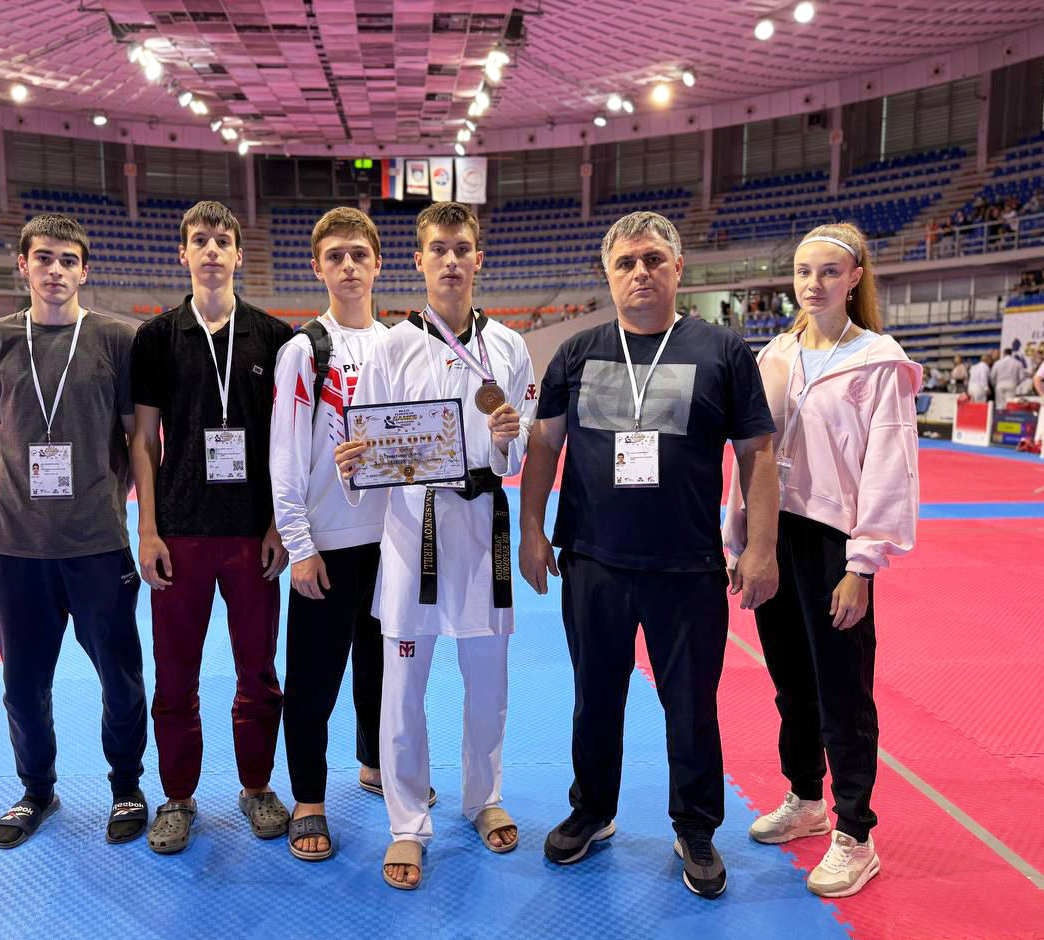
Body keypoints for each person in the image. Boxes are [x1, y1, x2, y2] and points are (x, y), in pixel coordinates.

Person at [519, 210, 778, 900]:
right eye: (626, 262)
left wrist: (761, 547)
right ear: (607, 275)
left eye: (654, 260)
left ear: (678, 269)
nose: (641, 272)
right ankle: (592, 809)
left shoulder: (722, 351)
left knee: (690, 704)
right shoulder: (576, 352)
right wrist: (532, 530)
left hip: (688, 565)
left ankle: (695, 826)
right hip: (593, 560)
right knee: (593, 698)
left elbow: (758, 454)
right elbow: (543, 444)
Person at [334, 201, 535, 891]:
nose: (451, 260)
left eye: (462, 248)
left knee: (489, 677)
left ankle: (484, 797)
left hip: (482, 527)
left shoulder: (508, 346)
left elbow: (515, 455)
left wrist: (506, 439)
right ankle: (407, 823)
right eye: (439, 249)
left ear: (479, 257)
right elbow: (368, 443)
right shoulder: (391, 346)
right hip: (411, 528)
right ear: (418, 260)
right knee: (402, 686)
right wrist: (354, 465)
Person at [724, 222, 920, 898]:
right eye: (804, 272)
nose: (814, 284)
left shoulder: (878, 360)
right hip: (774, 533)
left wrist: (862, 565)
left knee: (843, 688)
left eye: (829, 272)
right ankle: (807, 798)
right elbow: (749, 452)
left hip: (835, 539)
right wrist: (742, 536)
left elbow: (889, 464)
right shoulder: (774, 353)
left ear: (855, 278)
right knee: (790, 680)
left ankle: (855, 834)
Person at [0, 214, 149, 848]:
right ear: (23, 265)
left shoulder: (118, 339)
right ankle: (37, 790)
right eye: (43, 258)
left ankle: (126, 786)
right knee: (22, 685)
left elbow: (136, 439)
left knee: (120, 679)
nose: (55, 270)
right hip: (14, 546)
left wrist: (126, 515)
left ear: (84, 270)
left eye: (68, 260)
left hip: (97, 543)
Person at [130, 201, 293, 854]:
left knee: (259, 672)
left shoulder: (275, 337)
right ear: (184, 254)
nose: (212, 250)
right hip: (180, 532)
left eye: (223, 240)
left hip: (253, 533)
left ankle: (257, 787)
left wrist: (280, 523)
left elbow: (287, 441)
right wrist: (147, 529)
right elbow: (144, 440)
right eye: (200, 240)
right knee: (175, 677)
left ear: (238, 254)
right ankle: (177, 797)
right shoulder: (156, 337)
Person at [270, 207, 392, 861]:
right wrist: (299, 544)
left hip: (391, 540)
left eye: (359, 254)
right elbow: (285, 456)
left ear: (378, 264)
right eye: (336, 255)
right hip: (328, 542)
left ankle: (375, 764)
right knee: (314, 680)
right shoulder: (304, 351)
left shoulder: (401, 346)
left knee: (383, 669)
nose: (349, 266)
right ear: (317, 267)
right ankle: (309, 799)